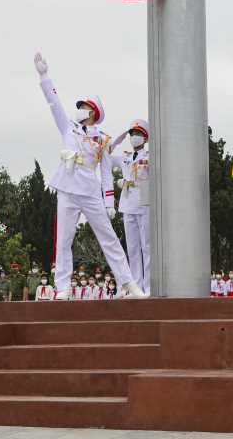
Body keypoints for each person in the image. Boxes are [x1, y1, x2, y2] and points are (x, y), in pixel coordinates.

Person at [33, 52, 145, 300]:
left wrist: (109, 202)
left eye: (83, 107)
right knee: (63, 240)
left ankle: (128, 282)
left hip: (89, 190)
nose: (80, 111)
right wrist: (44, 76)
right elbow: (55, 105)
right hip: (67, 189)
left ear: (93, 112)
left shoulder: (103, 138)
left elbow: (106, 174)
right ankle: (62, 287)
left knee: (109, 238)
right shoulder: (69, 129)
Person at [109, 118, 152, 295]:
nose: (134, 137)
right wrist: (120, 136)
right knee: (133, 249)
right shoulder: (125, 157)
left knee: (147, 247)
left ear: (145, 138)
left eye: (138, 134)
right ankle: (137, 287)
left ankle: (149, 287)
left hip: (144, 203)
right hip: (127, 205)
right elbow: (104, 155)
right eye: (132, 134)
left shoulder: (150, 156)